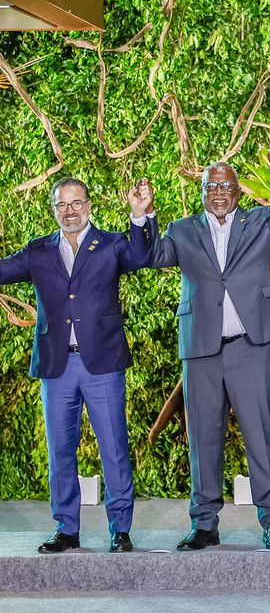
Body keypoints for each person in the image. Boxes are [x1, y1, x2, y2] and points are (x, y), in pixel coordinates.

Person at [149, 151, 270, 551]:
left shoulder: (262, 221)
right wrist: (142, 217)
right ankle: (204, 524)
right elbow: (153, 256)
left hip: (250, 348)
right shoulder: (181, 230)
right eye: (210, 186)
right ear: (202, 192)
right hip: (200, 350)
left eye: (225, 185)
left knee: (261, 436)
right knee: (202, 439)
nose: (218, 192)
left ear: (238, 191)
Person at [0, 177, 156, 553]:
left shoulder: (112, 244)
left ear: (88, 205)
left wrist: (140, 215)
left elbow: (142, 256)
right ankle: (66, 528)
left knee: (114, 448)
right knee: (60, 451)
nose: (70, 211)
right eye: (62, 205)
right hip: (57, 367)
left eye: (76, 203)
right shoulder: (37, 251)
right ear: (54, 210)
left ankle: (120, 528)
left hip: (102, 364)